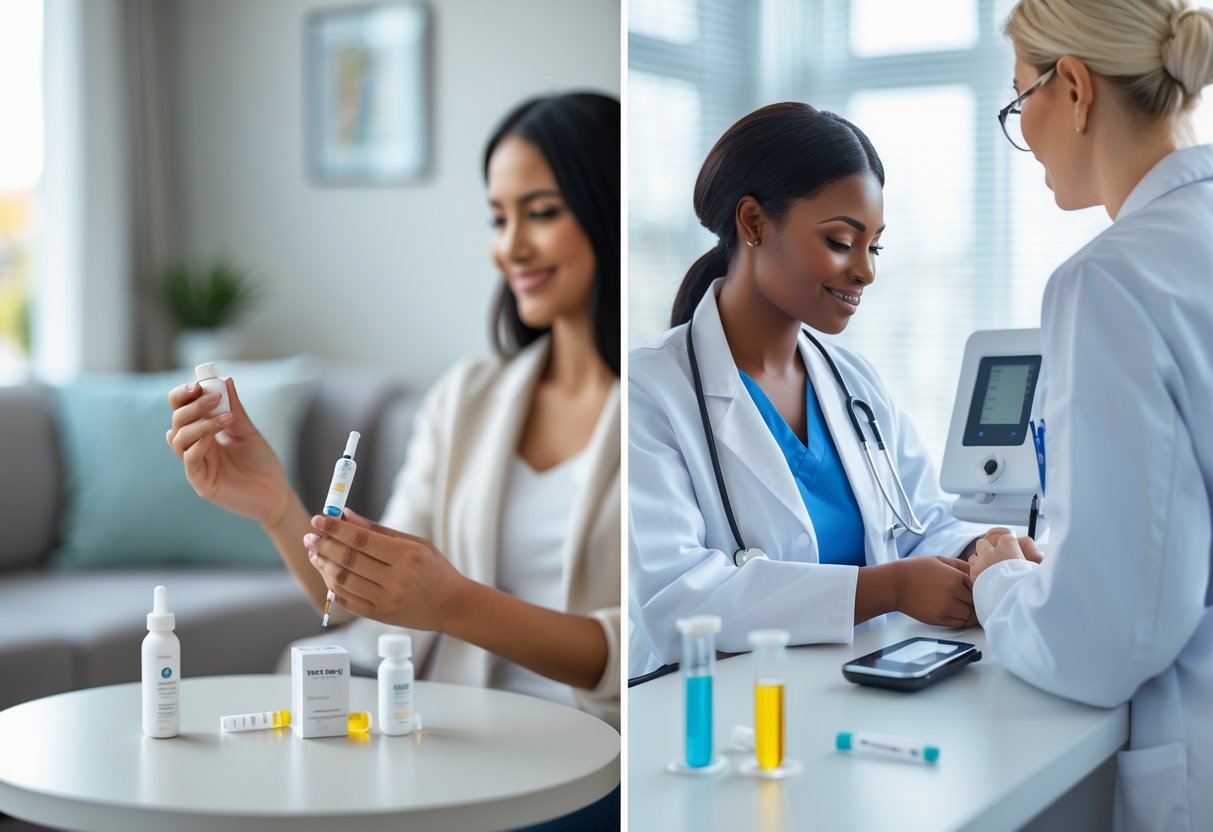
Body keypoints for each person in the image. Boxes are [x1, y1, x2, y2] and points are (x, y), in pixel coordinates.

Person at [166, 93, 621, 734]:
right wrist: (276, 505)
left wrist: (458, 604)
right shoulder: (466, 397)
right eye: (497, 219)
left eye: (540, 213)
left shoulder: (663, 406)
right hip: (466, 735)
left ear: (609, 210)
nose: (511, 247)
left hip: (600, 757)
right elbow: (357, 605)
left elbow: (651, 643)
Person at [628, 102, 987, 677]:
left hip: (854, 696)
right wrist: (887, 587)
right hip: (720, 719)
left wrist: (983, 550)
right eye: (842, 241)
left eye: (875, 246)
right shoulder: (649, 393)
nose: (866, 270)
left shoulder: (853, 381)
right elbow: (677, 602)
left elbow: (923, 525)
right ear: (752, 223)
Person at [968, 2, 1213, 829]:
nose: (1022, 137)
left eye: (1017, 103)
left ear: (1071, 88)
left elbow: (1104, 637)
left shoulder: (1109, 281)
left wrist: (998, 578)